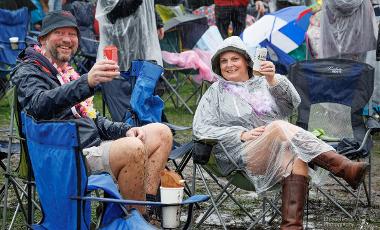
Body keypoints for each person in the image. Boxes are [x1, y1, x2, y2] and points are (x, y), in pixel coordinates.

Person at [192, 36, 369, 229]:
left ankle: (291, 226)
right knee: (277, 126)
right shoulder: (216, 92)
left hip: (277, 152)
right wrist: (239, 133)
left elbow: (291, 106)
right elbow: (201, 128)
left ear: (246, 61)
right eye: (224, 61)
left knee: (297, 156)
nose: (229, 65)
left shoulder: (263, 82)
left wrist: (272, 79)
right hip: (239, 156)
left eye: (235, 59)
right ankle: (343, 166)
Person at [11, 10, 172, 215]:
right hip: (66, 154)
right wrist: (85, 82)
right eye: (59, 33)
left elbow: (91, 119)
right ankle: (134, 217)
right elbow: (38, 105)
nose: (67, 39)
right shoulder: (30, 70)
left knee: (160, 132)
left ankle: (146, 207)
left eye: (72, 34)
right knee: (133, 148)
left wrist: (126, 130)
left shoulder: (66, 72)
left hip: (90, 144)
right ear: (43, 39)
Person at [96, 0, 163, 71]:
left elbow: (146, 5)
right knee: (118, 76)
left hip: (139, 42)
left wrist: (158, 22)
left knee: (140, 74)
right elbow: (117, 9)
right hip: (118, 45)